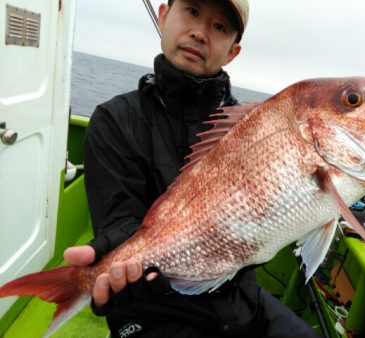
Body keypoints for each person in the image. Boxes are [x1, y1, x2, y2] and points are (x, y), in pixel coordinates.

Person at [64, 0, 320, 337]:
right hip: (150, 307)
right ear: (164, 15)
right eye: (192, 12)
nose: (200, 33)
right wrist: (112, 258)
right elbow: (120, 221)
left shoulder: (250, 128)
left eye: (219, 27)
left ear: (232, 52)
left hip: (238, 296)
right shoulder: (115, 119)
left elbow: (270, 222)